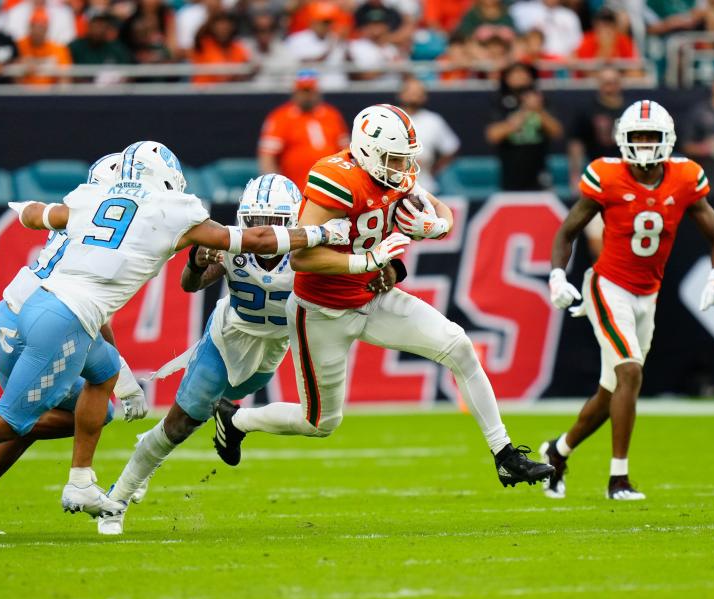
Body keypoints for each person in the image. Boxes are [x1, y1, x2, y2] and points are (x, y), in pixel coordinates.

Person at [0, 140, 353, 530]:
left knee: (101, 382)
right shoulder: (173, 208)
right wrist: (318, 235)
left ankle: (57, 483)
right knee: (17, 420)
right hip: (61, 319)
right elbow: (252, 240)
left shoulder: (90, 199)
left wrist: (22, 209)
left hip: (21, 308)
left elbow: (44, 214)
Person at [209, 104, 555, 490]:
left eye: (406, 159)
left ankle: (505, 454)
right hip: (321, 311)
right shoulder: (336, 178)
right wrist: (366, 262)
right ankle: (236, 419)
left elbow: (436, 207)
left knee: (459, 347)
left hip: (373, 298)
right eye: (394, 159)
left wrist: (439, 225)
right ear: (368, 151)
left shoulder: (395, 174)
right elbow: (302, 256)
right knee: (320, 422)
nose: (403, 168)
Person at [99, 174, 399, 535]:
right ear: (244, 220)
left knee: (225, 413)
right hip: (230, 336)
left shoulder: (311, 249)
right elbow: (190, 284)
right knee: (181, 422)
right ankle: (117, 500)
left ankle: (168, 442)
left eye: (274, 222)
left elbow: (366, 266)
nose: (265, 231)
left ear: (295, 222)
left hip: (275, 348)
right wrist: (196, 261)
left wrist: (389, 272)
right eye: (257, 222)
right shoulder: (230, 243)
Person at [0, 155, 148, 535]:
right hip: (35, 328)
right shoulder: (100, 230)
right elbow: (92, 313)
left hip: (13, 319)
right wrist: (127, 381)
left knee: (34, 419)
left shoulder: (84, 218)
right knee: (24, 419)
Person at [542, 100, 714, 500]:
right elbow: (567, 231)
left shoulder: (684, 177)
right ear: (622, 140)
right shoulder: (606, 176)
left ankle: (557, 452)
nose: (644, 145)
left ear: (668, 141)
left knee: (611, 392)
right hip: (608, 287)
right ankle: (618, 480)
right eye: (637, 137)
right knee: (630, 373)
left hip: (649, 294)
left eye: (651, 137)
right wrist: (557, 275)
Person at [258, 70, 349, 191]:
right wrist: (276, 187)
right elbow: (267, 156)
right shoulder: (281, 116)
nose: (307, 96)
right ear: (295, 92)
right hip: (295, 189)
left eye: (310, 91)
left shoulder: (331, 114)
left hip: (332, 187)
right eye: (303, 91)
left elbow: (346, 152)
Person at [486, 63, 563, 191]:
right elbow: (493, 135)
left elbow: (557, 132)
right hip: (511, 168)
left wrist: (539, 111)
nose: (520, 77)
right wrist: (523, 112)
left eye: (523, 73)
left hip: (539, 167)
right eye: (515, 73)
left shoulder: (542, 101)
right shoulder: (499, 103)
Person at [397, 76, 460, 194]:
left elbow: (451, 147)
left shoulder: (433, 120)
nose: (414, 95)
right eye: (410, 91)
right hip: (392, 185)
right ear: (401, 94)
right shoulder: (389, 118)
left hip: (425, 185)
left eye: (418, 93)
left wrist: (434, 168)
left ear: (424, 97)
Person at [568, 68, 626, 195]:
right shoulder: (587, 110)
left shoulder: (631, 110)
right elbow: (577, 143)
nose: (610, 87)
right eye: (606, 83)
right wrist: (575, 175)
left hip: (628, 170)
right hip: (597, 169)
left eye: (614, 82)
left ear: (620, 84)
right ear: (599, 84)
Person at [190, 12, 251, 85]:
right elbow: (197, 36)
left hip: (230, 92)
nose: (223, 30)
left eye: (226, 26)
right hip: (204, 92)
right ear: (212, 27)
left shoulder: (238, 48)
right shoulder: (202, 45)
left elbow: (244, 71)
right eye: (219, 26)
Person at [510, 0, 583, 58]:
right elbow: (520, 39)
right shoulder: (524, 11)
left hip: (564, 62)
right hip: (536, 61)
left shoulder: (569, 15)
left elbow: (576, 42)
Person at [68, 10, 132, 68]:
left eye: (101, 25)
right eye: (95, 25)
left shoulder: (116, 48)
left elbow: (127, 71)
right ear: (88, 26)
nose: (98, 29)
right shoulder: (75, 46)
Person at [0, 0, 76, 46]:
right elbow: (12, 37)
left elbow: (68, 38)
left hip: (55, 57)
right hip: (24, 56)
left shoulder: (64, 12)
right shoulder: (15, 12)